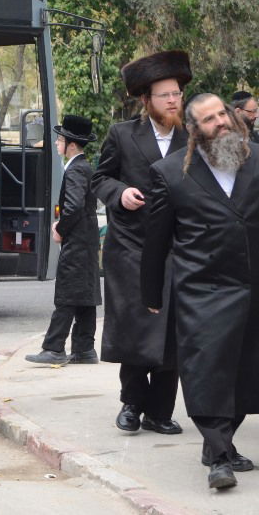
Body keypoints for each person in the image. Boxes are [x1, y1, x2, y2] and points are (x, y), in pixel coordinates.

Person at [141, 93, 259, 491]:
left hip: (252, 285)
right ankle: (220, 459)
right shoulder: (170, 173)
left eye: (222, 114)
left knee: (245, 373)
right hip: (202, 289)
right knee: (207, 372)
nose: (221, 123)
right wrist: (151, 294)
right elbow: (156, 240)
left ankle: (217, 444)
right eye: (209, 120)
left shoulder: (256, 159)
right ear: (193, 130)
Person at [91, 50, 190, 435]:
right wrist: (121, 193)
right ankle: (132, 404)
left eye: (176, 94)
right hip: (131, 247)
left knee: (171, 334)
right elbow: (100, 179)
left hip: (178, 249)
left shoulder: (192, 137)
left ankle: (160, 411)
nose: (172, 100)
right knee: (133, 328)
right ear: (145, 100)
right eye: (164, 94)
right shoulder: (122, 134)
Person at [26, 115, 101, 365]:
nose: (57, 143)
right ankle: (84, 349)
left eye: (60, 139)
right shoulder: (84, 166)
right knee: (84, 295)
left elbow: (74, 206)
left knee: (68, 295)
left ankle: (54, 347)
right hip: (87, 240)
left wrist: (61, 229)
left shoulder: (76, 169)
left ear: (71, 144)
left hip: (77, 240)